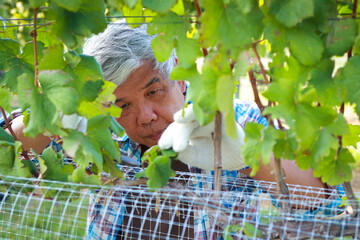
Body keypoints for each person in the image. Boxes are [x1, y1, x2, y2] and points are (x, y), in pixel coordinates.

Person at [6, 20, 344, 239]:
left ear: (179, 77)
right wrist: (52, 115)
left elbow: (325, 203)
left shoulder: (231, 118)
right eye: (123, 105)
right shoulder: (98, 128)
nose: (145, 116)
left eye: (154, 91)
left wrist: (250, 156)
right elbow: (11, 144)